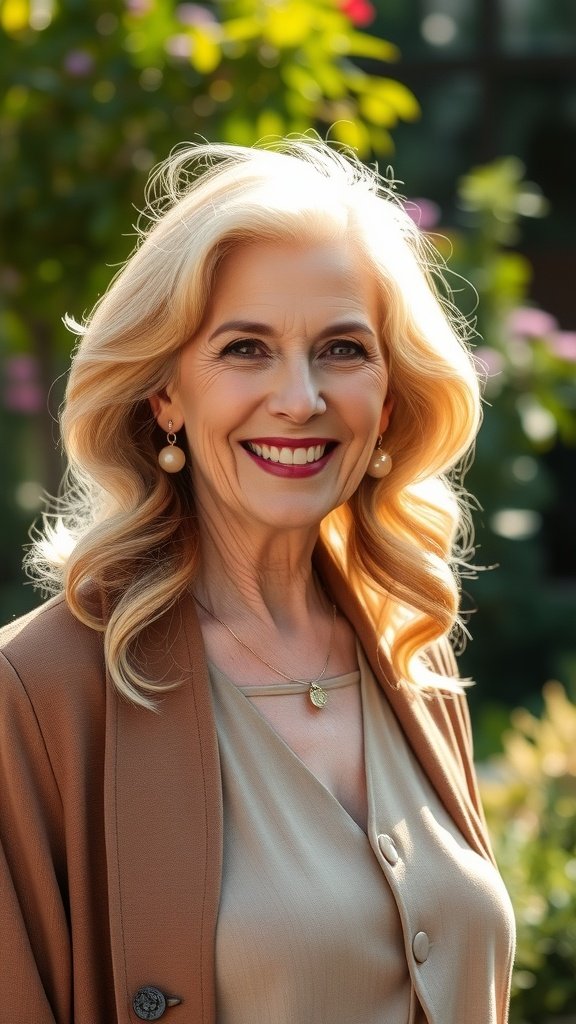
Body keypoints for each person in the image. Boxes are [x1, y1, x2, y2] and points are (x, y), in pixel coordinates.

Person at [0, 137, 515, 1024]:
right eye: (246, 349)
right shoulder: (38, 694)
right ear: (166, 395)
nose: (300, 398)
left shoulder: (412, 658)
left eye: (343, 349)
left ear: (387, 398)